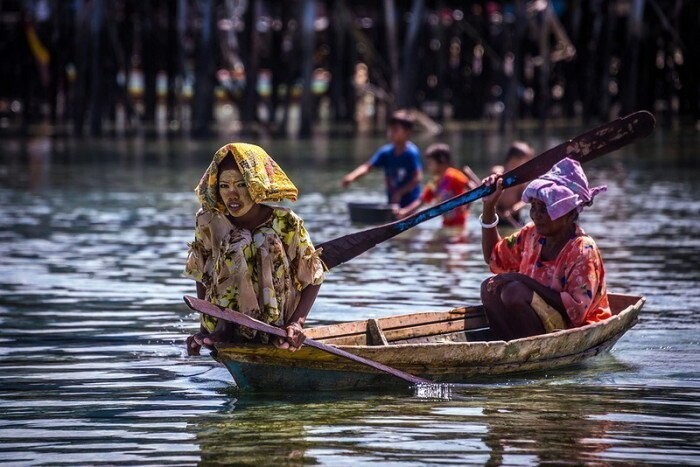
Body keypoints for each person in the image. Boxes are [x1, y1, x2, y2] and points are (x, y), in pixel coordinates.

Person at [184, 143, 326, 355]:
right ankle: (225, 328)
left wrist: (296, 324)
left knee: (263, 238)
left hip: (275, 319)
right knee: (237, 241)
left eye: (241, 185)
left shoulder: (285, 222)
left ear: (256, 185)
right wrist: (205, 326)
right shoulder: (208, 220)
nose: (232, 194)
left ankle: (271, 329)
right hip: (224, 317)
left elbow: (314, 277)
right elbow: (201, 272)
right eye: (224, 186)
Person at [479, 158, 611, 341]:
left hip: (574, 328)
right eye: (534, 207)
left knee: (515, 291)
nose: (537, 215)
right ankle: (506, 345)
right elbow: (494, 257)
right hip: (539, 322)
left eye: (546, 208)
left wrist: (521, 279)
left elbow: (577, 312)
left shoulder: (583, 249)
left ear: (571, 213)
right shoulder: (531, 234)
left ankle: (530, 351)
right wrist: (488, 206)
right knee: (489, 288)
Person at [341, 109, 423, 208]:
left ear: (407, 132)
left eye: (396, 130)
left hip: (411, 205)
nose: (391, 132)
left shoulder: (411, 153)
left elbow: (417, 178)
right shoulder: (386, 152)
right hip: (392, 203)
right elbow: (367, 167)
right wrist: (351, 177)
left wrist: (400, 193)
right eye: (391, 129)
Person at [396, 143, 478, 239]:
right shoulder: (435, 182)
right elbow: (421, 201)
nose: (428, 166)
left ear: (441, 161)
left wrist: (467, 206)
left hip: (459, 225)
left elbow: (473, 187)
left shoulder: (454, 176)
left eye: (430, 163)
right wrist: (405, 212)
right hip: (446, 224)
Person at [486, 141, 535, 227]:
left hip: (513, 217)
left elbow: (524, 200)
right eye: (526, 160)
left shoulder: (522, 177)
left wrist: (512, 210)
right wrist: (495, 208)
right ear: (514, 159)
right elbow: (489, 194)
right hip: (495, 214)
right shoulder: (497, 172)